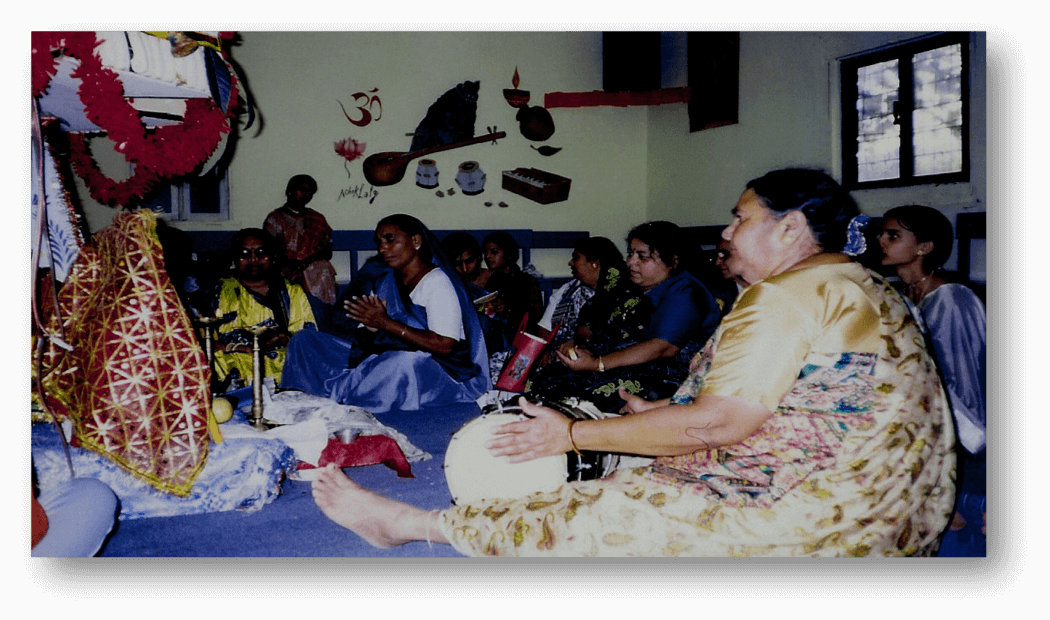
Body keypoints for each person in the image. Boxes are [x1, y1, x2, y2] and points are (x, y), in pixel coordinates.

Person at [309, 167, 957, 557]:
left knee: (620, 508)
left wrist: (570, 433)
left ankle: (413, 524)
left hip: (830, 527)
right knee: (631, 452)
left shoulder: (786, 295)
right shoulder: (857, 282)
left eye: (740, 218)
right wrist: (663, 416)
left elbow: (717, 425)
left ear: (789, 229)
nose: (727, 233)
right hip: (903, 521)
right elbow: (801, 400)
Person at [280, 214, 491, 412]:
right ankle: (310, 403)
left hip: (439, 369)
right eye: (379, 242)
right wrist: (371, 328)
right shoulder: (384, 280)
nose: (383, 249)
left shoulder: (437, 282)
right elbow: (364, 340)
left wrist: (385, 323)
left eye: (390, 240)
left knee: (402, 363)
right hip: (384, 356)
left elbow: (444, 346)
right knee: (305, 341)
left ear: (416, 241)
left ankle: (350, 402)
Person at [526, 221, 721, 412]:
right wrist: (582, 350)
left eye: (642, 256)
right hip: (630, 363)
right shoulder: (633, 289)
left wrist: (597, 364)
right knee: (544, 379)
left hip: (666, 374)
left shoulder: (686, 292)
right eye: (630, 253)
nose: (631, 262)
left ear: (673, 261)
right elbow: (605, 329)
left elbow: (663, 347)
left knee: (577, 395)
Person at [879, 205, 986, 534]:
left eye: (893, 235)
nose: (881, 240)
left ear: (924, 247)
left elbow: (965, 395)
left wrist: (941, 478)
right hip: (924, 445)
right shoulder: (900, 297)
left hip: (961, 453)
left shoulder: (951, 299)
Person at [212, 228, 318, 389]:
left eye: (261, 252)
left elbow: (309, 340)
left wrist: (287, 339)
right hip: (232, 371)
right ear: (235, 258)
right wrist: (243, 348)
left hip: (284, 372)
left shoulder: (291, 292)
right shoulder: (218, 291)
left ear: (273, 257)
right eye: (245, 253)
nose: (253, 259)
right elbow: (200, 342)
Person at [264, 174, 339, 304]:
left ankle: (319, 314)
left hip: (313, 268)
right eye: (302, 190)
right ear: (289, 191)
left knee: (322, 268)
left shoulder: (317, 219)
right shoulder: (275, 219)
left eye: (310, 192)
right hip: (285, 268)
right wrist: (292, 265)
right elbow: (269, 251)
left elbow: (327, 251)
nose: (306, 195)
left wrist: (306, 261)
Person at [481, 231, 544, 340]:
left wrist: (509, 309)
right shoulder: (488, 280)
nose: (488, 256)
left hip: (523, 336)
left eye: (494, 252)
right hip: (495, 337)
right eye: (485, 252)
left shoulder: (527, 281)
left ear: (509, 253)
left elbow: (536, 317)